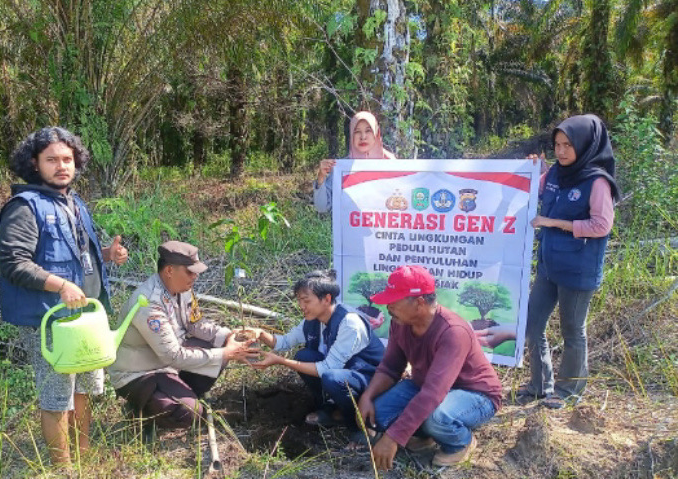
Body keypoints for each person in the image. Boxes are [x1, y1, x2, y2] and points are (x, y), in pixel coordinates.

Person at [0, 127, 129, 466]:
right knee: (57, 396)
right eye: (52, 160)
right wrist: (60, 285)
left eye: (67, 159)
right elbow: (13, 263)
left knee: (85, 388)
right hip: (50, 318)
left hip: (86, 316)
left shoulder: (74, 202)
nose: (61, 166)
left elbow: (76, 255)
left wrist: (107, 254)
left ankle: (83, 454)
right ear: (34, 163)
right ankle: (63, 466)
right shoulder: (25, 207)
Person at [517, 114, 619, 409]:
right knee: (532, 324)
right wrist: (534, 170)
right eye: (557, 145)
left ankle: (568, 391)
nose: (561, 151)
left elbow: (602, 225)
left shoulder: (597, 181)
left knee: (572, 331)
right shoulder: (556, 173)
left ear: (585, 145)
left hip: (577, 269)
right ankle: (540, 385)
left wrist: (554, 222)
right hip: (549, 266)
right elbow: (535, 190)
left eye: (568, 145)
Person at [357, 265, 502, 469]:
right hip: (425, 385)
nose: (388, 307)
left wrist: (393, 438)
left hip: (476, 394)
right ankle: (427, 436)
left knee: (437, 418)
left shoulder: (453, 332)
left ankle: (462, 442)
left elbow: (433, 393)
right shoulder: (400, 322)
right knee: (378, 414)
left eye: (394, 302)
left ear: (419, 302)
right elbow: (390, 367)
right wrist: (367, 396)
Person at [108, 241, 257, 431]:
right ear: (169, 270)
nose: (195, 276)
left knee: (219, 347)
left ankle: (179, 393)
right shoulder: (150, 303)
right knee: (189, 413)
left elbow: (195, 323)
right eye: (189, 272)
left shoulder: (182, 289)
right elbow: (172, 355)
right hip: (140, 373)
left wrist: (229, 336)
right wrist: (226, 353)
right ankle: (141, 410)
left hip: (168, 364)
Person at [248, 270, 385, 438]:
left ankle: (355, 426)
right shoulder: (312, 320)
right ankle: (328, 408)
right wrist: (261, 334)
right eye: (299, 301)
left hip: (370, 377)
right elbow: (284, 342)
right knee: (304, 356)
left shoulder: (349, 322)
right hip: (343, 372)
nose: (301, 306)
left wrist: (281, 361)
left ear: (326, 299)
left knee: (332, 378)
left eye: (306, 301)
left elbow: (327, 368)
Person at [313, 111, 397, 213]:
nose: (363, 137)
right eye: (357, 131)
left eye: (368, 130)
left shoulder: (391, 164)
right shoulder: (342, 169)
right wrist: (321, 177)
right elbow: (322, 208)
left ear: (376, 133)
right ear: (351, 135)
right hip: (350, 223)